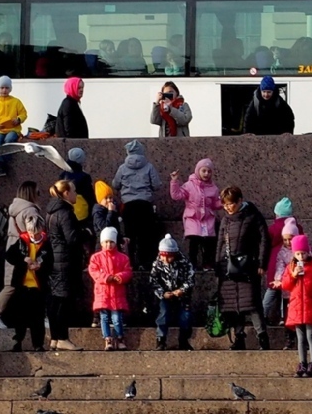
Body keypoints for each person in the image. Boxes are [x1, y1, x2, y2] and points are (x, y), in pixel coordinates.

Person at [215, 186, 271, 350]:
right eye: (225, 205)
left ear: (240, 201)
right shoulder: (225, 220)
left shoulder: (253, 216)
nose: (227, 207)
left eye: (230, 204)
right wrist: (217, 266)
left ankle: (262, 336)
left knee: (252, 304)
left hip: (248, 266)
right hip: (228, 268)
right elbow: (220, 243)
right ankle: (239, 337)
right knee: (233, 305)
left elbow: (264, 239)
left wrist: (262, 263)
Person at [43, 180, 88, 351]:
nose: (76, 194)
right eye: (74, 191)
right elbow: (72, 239)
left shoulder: (51, 211)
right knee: (63, 301)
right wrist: (86, 232)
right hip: (66, 261)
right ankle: (62, 337)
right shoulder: (65, 212)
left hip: (55, 260)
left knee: (56, 300)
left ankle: (55, 337)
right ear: (66, 193)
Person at [276, 235, 312, 377]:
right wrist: (293, 275)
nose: (301, 256)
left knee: (310, 335)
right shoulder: (290, 268)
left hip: (310, 307)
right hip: (296, 308)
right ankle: (302, 363)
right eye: (298, 253)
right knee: (299, 337)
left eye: (303, 253)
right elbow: (285, 285)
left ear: (308, 252)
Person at [2, 215, 48, 351]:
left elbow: (50, 262)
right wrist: (23, 259)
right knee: (19, 316)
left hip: (38, 286)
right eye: (31, 232)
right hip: (22, 285)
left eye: (37, 232)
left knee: (37, 317)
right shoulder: (22, 241)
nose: (34, 235)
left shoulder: (46, 243)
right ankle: (17, 341)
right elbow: (9, 255)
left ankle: (38, 344)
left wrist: (40, 266)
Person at [114, 140, 162, 269]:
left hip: (129, 206)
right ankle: (145, 262)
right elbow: (157, 185)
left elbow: (115, 185)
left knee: (130, 235)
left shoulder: (122, 168)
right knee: (145, 235)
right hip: (145, 205)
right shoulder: (149, 166)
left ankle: (130, 263)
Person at [170, 158, 224, 267]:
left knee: (208, 243)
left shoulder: (213, 188)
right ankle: (192, 264)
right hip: (193, 218)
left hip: (208, 218)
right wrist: (174, 181)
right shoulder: (189, 185)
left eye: (209, 171)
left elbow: (214, 204)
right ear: (197, 170)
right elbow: (176, 195)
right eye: (203, 170)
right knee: (194, 242)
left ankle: (207, 263)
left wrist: (224, 202)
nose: (206, 174)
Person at [88, 226, 133, 350]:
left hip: (117, 292)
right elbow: (94, 271)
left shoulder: (123, 258)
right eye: (106, 242)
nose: (109, 244)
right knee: (104, 317)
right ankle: (107, 338)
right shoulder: (96, 257)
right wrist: (106, 277)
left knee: (117, 318)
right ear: (102, 243)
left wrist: (120, 277)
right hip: (103, 292)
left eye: (111, 242)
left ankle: (119, 337)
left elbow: (128, 271)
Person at [150, 235, 195, 350]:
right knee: (163, 315)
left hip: (182, 295)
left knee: (186, 317)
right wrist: (162, 293)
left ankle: (183, 340)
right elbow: (153, 281)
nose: (165, 259)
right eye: (163, 256)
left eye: (168, 257)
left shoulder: (184, 263)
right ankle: (161, 339)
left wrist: (182, 290)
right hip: (165, 296)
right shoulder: (157, 264)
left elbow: (191, 279)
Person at [262, 203, 298, 343]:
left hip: (274, 265)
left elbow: (266, 242)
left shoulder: (273, 228)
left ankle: (264, 314)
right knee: (286, 298)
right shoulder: (296, 227)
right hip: (287, 272)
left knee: (272, 293)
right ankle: (284, 318)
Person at [0, 76, 28, 152]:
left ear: (10, 89)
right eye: (2, 88)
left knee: (9, 139)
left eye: (7, 88)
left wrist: (18, 119)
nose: (4, 90)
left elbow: (23, 113)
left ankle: (1, 160)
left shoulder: (16, 101)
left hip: (13, 130)